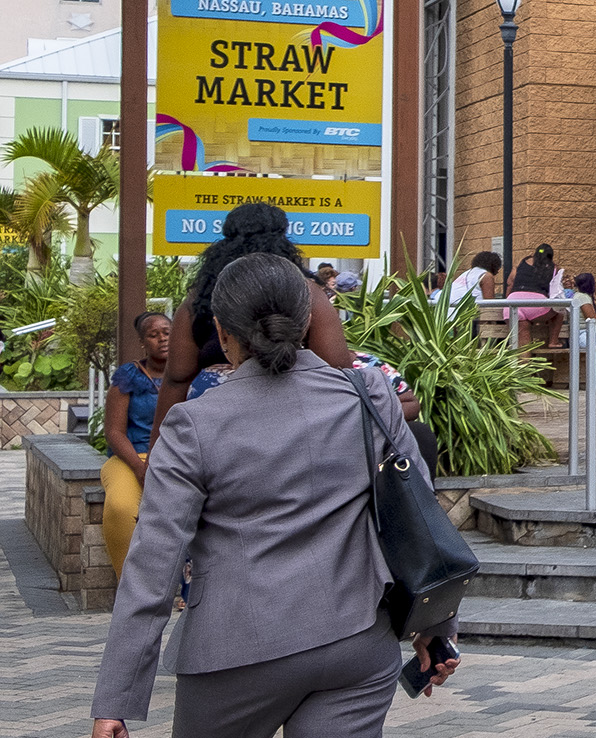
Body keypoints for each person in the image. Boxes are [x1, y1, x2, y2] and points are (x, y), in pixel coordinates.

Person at [89, 253, 458, 738]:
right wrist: (437, 627)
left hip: (234, 654)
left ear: (221, 332)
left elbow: (154, 562)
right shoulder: (367, 394)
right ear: (306, 320)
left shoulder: (194, 424)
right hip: (358, 646)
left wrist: (115, 701)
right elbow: (419, 513)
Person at [162, 202, 355, 405]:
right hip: (296, 415)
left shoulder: (199, 298)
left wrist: (160, 435)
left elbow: (177, 377)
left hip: (215, 420)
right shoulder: (306, 291)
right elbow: (337, 368)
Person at [101, 312, 172, 578]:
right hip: (131, 457)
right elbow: (114, 432)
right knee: (121, 506)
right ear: (142, 342)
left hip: (175, 457)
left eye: (167, 332)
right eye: (153, 335)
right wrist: (140, 467)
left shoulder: (190, 374)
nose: (162, 339)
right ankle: (129, 583)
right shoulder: (128, 376)